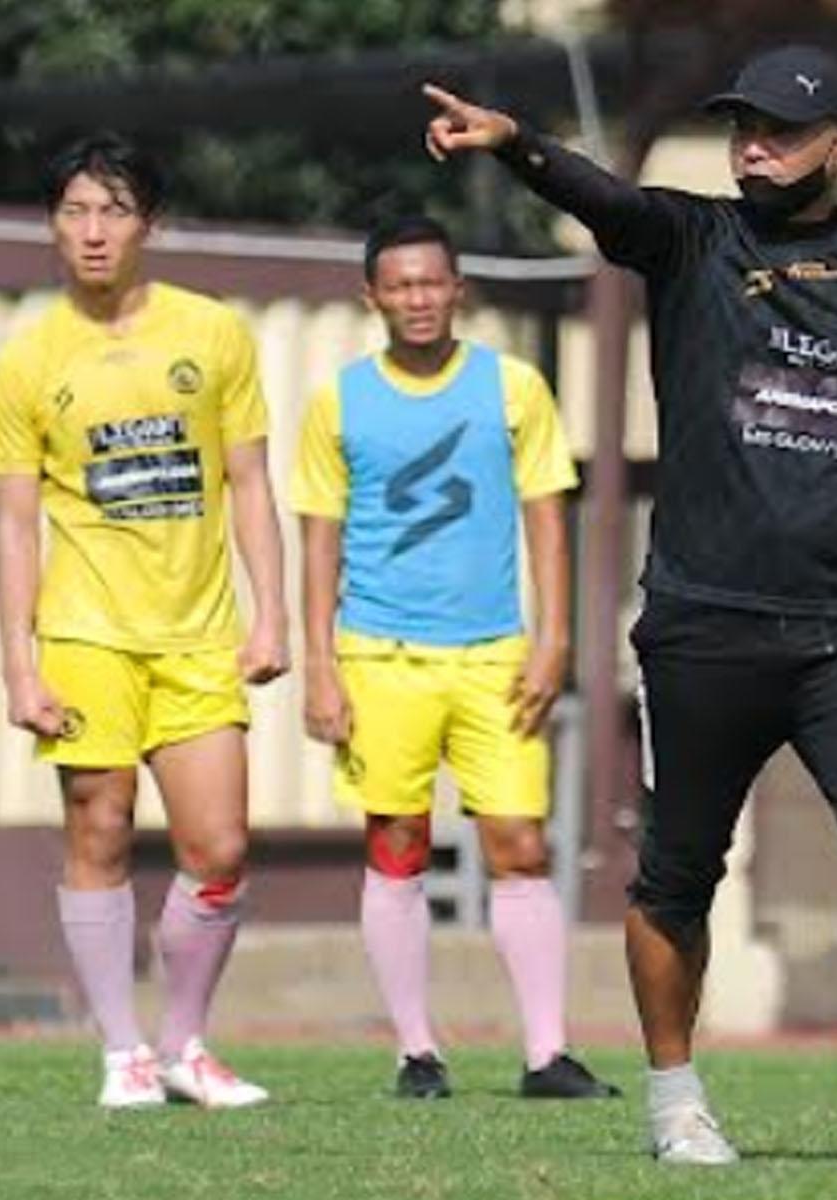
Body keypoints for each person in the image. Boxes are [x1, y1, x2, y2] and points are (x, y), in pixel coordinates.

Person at [424, 45, 837, 1167]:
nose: (752, 145)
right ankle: (674, 1102)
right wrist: (517, 146)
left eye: (780, 129)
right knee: (677, 873)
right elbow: (603, 197)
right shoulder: (694, 238)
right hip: (705, 624)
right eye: (740, 125)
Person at [0, 133, 288, 1109]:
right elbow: (14, 526)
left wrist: (271, 617)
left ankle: (186, 1043)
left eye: (113, 211)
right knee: (100, 827)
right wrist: (18, 668)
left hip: (199, 633)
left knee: (220, 849)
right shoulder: (25, 361)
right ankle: (122, 1052)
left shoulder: (214, 334)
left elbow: (250, 486)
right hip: (84, 635)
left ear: (148, 225)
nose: (93, 231)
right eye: (74, 211)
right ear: (50, 226)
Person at [293, 214, 618, 1101]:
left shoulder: (513, 388)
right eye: (399, 286)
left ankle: (547, 1054)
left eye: (431, 283)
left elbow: (549, 517)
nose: (418, 300)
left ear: (457, 289)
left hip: (494, 656)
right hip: (380, 653)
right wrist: (318, 664)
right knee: (396, 843)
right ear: (373, 298)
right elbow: (318, 540)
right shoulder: (340, 401)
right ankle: (416, 1051)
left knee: (517, 843)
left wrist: (554, 639)